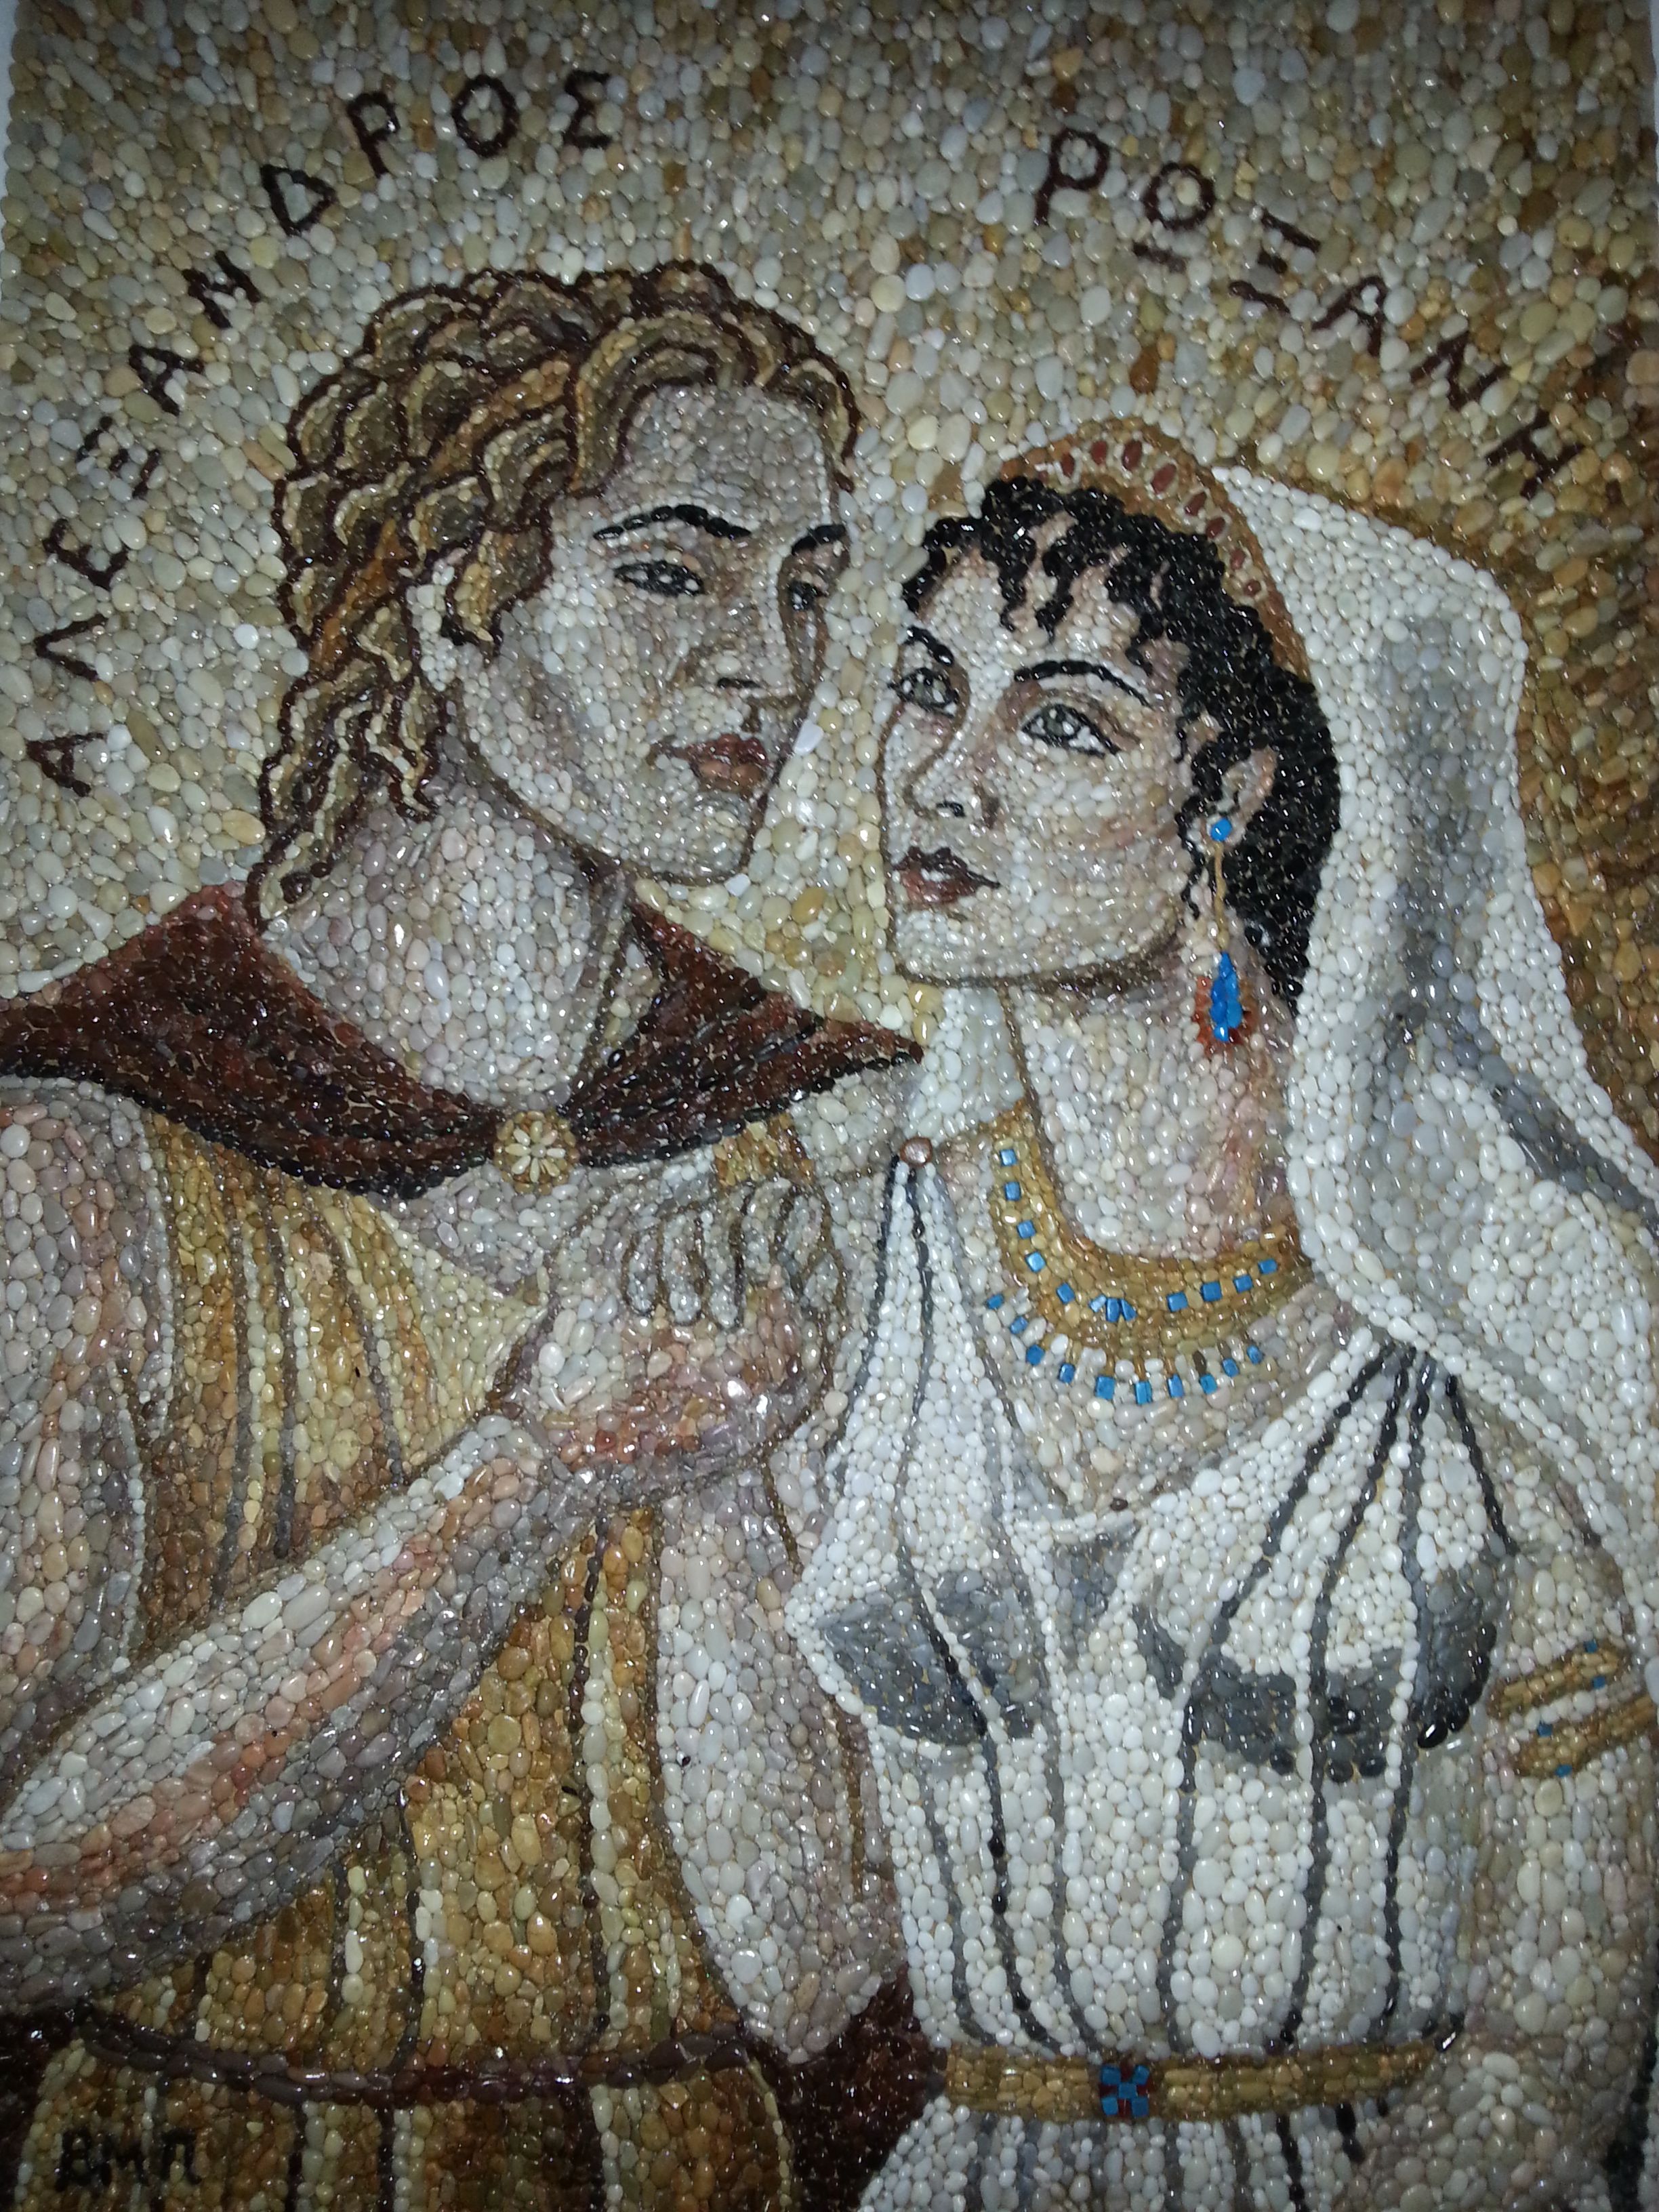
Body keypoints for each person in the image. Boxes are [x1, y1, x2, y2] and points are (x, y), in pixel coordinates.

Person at [0, 255, 912, 2130]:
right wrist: (538, 1467)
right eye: (674, 573)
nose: (771, 663)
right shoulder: (93, 1148)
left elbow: (841, 1961)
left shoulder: (824, 1130)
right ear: (448, 603)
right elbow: (20, 1894)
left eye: (808, 587)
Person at [774, 431, 1659, 2209]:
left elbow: (1556, 2049)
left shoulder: (1492, 1304)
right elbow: (790, 1952)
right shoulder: (849, 1249)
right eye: (929, 689)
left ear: (1231, 796)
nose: (942, 778)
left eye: (1062, 724)